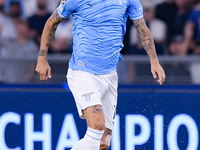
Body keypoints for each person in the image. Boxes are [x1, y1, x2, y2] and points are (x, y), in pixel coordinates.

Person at [35, 0, 166, 150]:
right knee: (97, 125)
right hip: (83, 72)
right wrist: (42, 59)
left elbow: (141, 27)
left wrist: (154, 61)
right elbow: (51, 22)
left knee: (103, 142)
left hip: (110, 74)